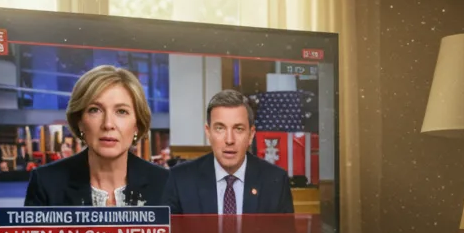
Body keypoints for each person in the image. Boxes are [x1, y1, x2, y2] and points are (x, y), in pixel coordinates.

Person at [22, 65, 168, 207]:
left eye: (121, 111)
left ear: (137, 124)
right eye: (95, 110)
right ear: (80, 122)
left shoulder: (165, 183)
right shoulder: (46, 183)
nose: (108, 124)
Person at [163, 89, 295, 216]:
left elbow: (284, 232)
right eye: (220, 128)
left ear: (251, 134)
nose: (229, 140)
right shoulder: (180, 179)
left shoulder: (275, 181)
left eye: (238, 129)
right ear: (208, 132)